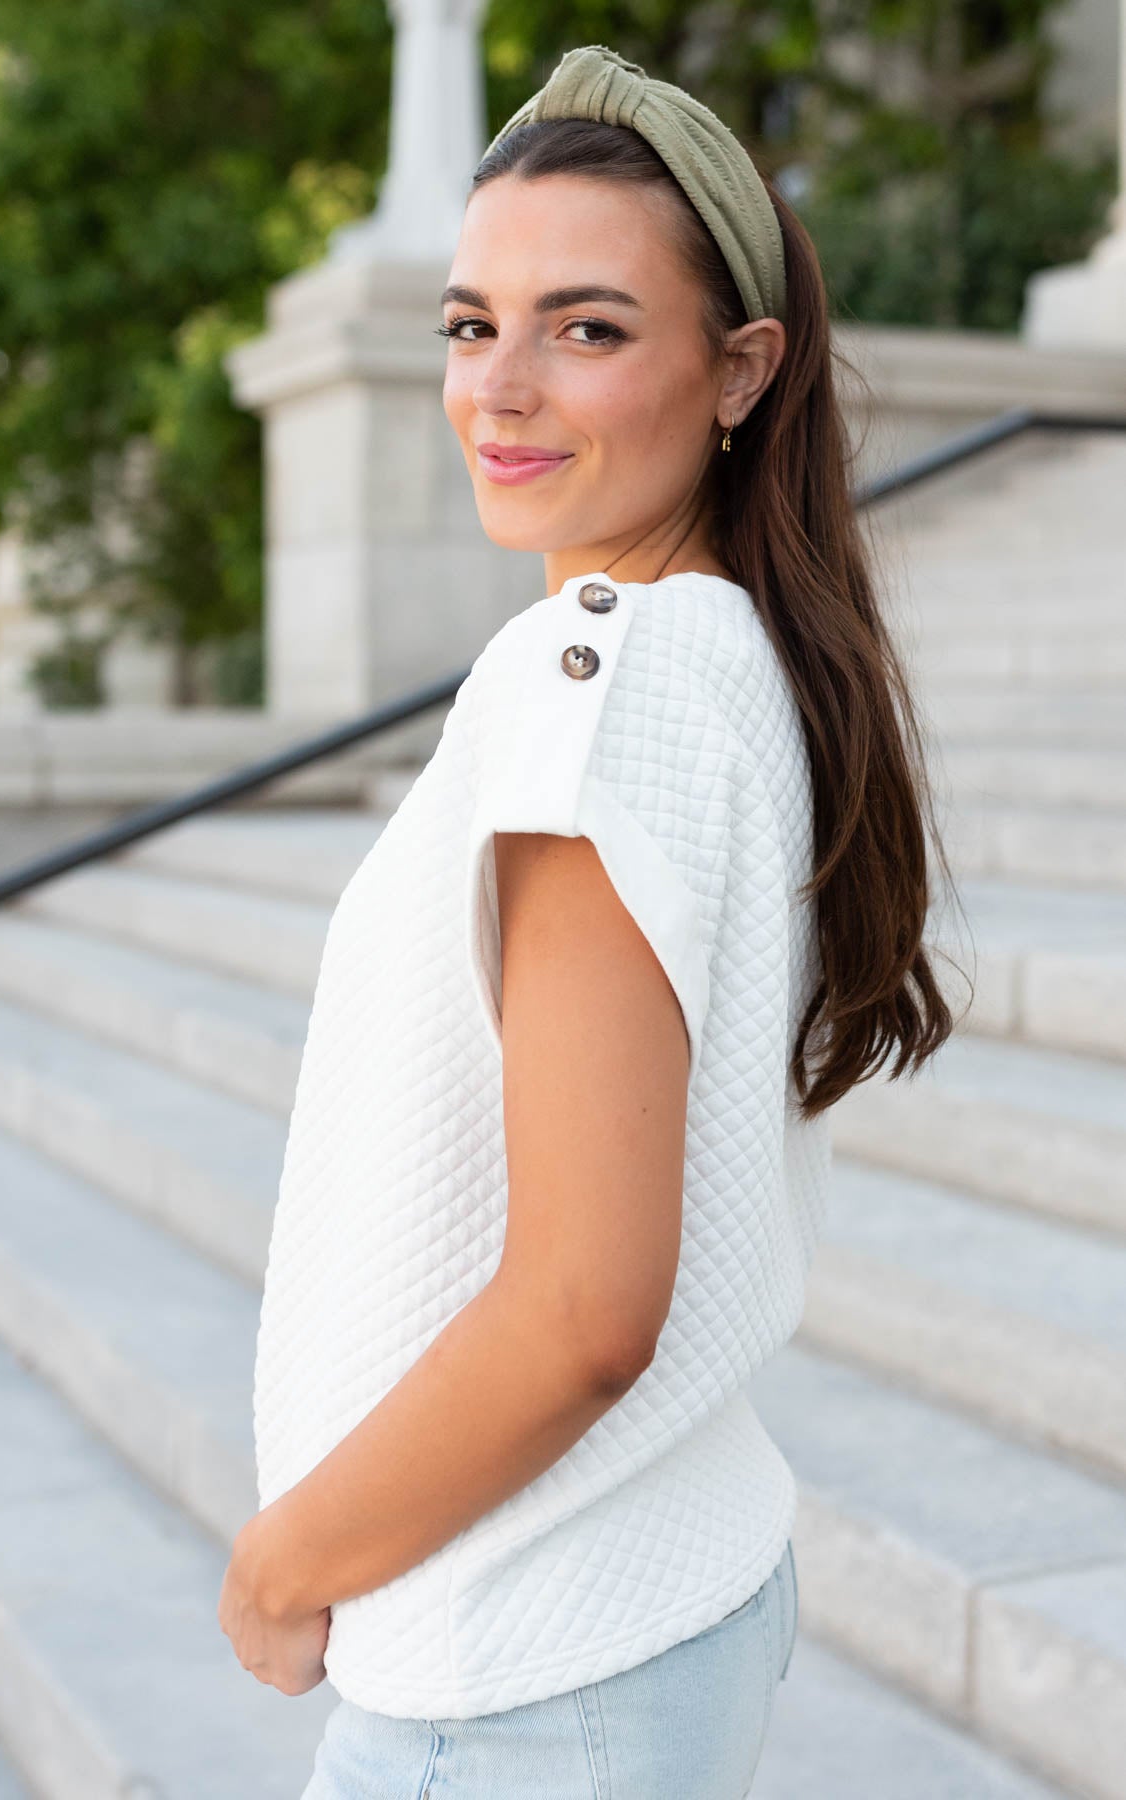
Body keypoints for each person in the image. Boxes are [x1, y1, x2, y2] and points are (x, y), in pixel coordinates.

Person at [219, 42, 964, 1799]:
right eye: (470, 325)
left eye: (588, 328)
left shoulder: (601, 687)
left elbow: (582, 1306)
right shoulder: (714, 650)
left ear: (739, 371)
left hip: (516, 1677)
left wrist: (283, 1561)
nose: (502, 387)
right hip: (631, 1616)